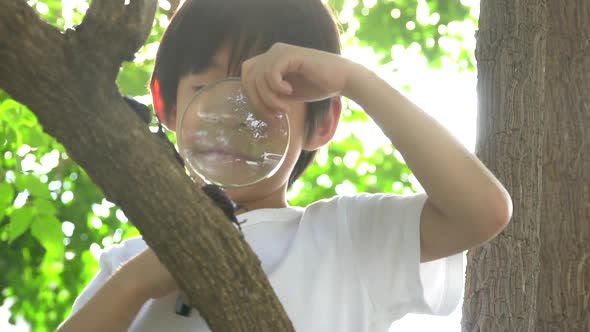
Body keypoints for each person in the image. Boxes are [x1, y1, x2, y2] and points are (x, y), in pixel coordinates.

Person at [57, 0, 512, 331]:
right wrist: (136, 282)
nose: (236, 115)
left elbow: (483, 211)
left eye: (265, 95)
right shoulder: (128, 262)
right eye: (208, 86)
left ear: (321, 121)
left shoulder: (346, 238)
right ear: (166, 104)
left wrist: (355, 80)